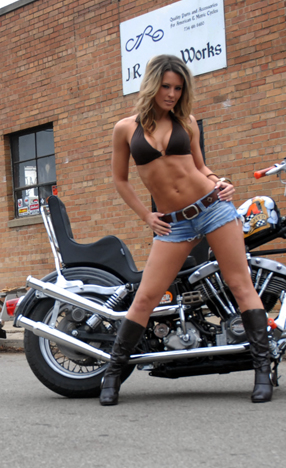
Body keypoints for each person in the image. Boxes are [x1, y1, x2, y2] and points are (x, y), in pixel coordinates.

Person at [101, 54, 273, 406]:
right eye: (166, 86)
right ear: (151, 84)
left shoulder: (188, 122)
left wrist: (220, 181)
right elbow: (120, 180)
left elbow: (200, 166)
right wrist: (145, 217)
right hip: (174, 225)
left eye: (178, 88)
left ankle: (263, 370)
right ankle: (113, 374)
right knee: (146, 298)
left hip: (212, 208)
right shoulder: (125, 129)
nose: (172, 94)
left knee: (240, 285)